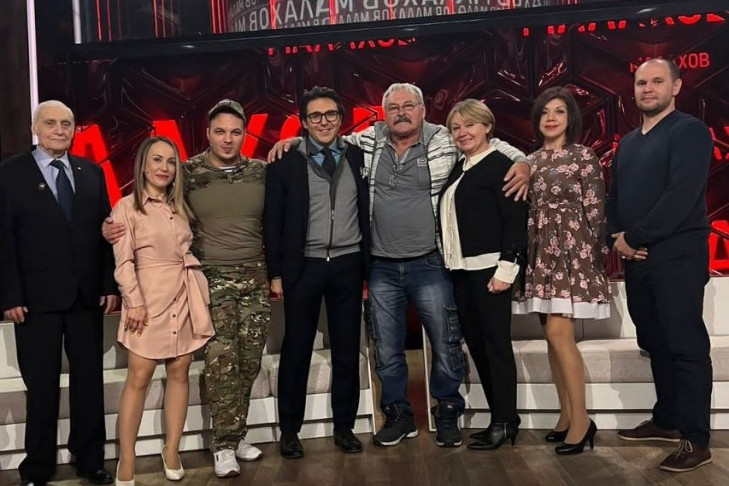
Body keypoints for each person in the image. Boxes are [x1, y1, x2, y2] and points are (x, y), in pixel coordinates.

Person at [270, 82, 530, 447]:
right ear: (384, 113)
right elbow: (324, 141)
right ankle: (398, 415)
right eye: (393, 108)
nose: (401, 113)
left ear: (423, 111)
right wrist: (292, 142)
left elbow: (489, 144)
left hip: (430, 262)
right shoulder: (367, 142)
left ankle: (447, 410)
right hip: (381, 267)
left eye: (409, 106)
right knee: (387, 350)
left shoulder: (444, 139)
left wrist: (523, 163)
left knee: (446, 344)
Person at [102, 99, 270, 478]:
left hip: (217, 287)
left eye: (236, 132)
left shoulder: (257, 173)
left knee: (241, 363)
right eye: (220, 131)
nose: (227, 139)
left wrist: (290, 143)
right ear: (207, 134)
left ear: (245, 134)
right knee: (214, 364)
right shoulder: (184, 175)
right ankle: (213, 446)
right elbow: (124, 243)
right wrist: (108, 228)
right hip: (187, 289)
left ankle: (222, 438)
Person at [0, 100, 119, 486]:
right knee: (42, 386)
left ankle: (90, 460)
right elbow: (3, 241)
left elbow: (104, 233)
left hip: (86, 297)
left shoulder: (91, 172)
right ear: (35, 128)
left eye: (66, 123)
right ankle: (38, 466)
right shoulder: (10, 174)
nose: (59, 130)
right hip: (34, 301)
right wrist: (9, 296)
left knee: (89, 383)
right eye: (50, 123)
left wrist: (108, 284)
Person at [607, 58, 714, 472]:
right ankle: (667, 420)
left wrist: (634, 237)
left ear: (676, 87)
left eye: (656, 81)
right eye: (641, 82)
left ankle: (696, 440)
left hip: (678, 255)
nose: (647, 88)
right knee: (654, 342)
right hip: (638, 258)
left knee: (685, 346)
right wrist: (616, 237)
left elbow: (681, 195)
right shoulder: (629, 142)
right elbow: (616, 197)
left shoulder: (690, 131)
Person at [264, 86, 370, 459]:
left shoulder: (358, 155)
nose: (323, 122)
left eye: (330, 115)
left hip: (348, 263)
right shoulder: (285, 161)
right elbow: (272, 221)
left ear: (341, 119)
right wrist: (276, 272)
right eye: (315, 116)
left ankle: (345, 427)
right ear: (304, 122)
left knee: (347, 349)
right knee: (297, 349)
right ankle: (289, 431)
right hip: (303, 266)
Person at [513, 86, 610, 455]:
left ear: (571, 118)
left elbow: (596, 210)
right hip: (540, 255)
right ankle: (566, 415)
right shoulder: (529, 160)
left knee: (558, 333)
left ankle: (582, 422)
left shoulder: (584, 156)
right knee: (551, 338)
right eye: (544, 112)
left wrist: (589, 257)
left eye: (558, 111)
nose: (550, 118)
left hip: (573, 254)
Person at [112, 137, 214, 486]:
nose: (164, 168)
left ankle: (172, 450)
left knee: (180, 372)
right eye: (157, 160)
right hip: (147, 300)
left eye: (171, 162)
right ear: (143, 164)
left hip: (184, 296)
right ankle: (127, 458)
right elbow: (123, 262)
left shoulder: (180, 206)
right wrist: (134, 301)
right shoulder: (126, 207)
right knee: (138, 377)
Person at [440, 99, 527, 450]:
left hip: (491, 271)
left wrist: (507, 269)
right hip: (462, 271)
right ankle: (502, 417)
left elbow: (515, 222)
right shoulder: (460, 167)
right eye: (456, 127)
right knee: (477, 346)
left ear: (487, 126)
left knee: (496, 348)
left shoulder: (501, 165)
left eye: (470, 125)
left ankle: (504, 421)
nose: (463, 132)